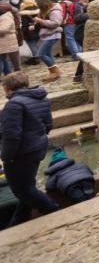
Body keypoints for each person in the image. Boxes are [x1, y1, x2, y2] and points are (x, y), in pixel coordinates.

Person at [1, 72, 59, 226]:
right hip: (38, 149)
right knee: (27, 186)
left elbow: (12, 136)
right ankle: (18, 221)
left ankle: (52, 208)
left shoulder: (13, 105)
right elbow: (48, 125)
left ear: (7, 88)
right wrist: (38, 139)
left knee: (22, 190)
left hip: (20, 154)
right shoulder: (41, 98)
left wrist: (6, 156)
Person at [33, 0, 63, 82]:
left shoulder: (55, 11)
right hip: (49, 34)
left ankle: (55, 72)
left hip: (53, 34)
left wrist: (41, 20)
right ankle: (54, 71)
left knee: (41, 54)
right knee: (48, 54)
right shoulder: (49, 11)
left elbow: (55, 23)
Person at [0, 3, 20, 75]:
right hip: (4, 42)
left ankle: (15, 76)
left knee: (14, 63)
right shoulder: (4, 17)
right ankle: (8, 74)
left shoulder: (5, 18)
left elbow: (3, 29)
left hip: (6, 42)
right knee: (4, 59)